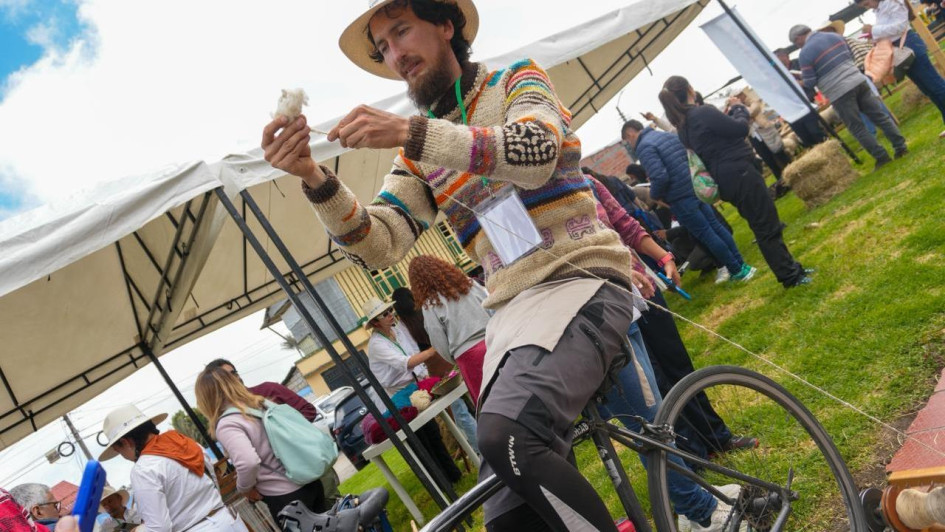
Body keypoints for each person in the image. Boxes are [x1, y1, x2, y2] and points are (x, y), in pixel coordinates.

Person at [260, 0, 737, 528]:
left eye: (401, 32)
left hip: (582, 281)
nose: (394, 54)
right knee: (508, 505)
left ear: (446, 24)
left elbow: (533, 152)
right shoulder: (416, 151)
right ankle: (701, 509)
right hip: (514, 312)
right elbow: (382, 244)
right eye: (383, 48)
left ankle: (711, 510)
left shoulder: (517, 80)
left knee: (627, 428)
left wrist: (412, 135)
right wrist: (314, 179)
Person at [660, 75, 812, 288]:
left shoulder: (684, 126)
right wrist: (739, 108)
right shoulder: (702, 113)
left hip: (725, 179)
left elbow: (721, 133)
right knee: (766, 226)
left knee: (762, 224)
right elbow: (739, 129)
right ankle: (790, 276)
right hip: (739, 172)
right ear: (690, 89)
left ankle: (792, 268)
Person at [621, 119, 755, 284]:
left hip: (679, 197)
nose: (630, 145)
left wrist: (654, 195)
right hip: (694, 188)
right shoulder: (664, 136)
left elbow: (660, 176)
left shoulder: (644, 147)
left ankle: (736, 269)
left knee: (707, 234)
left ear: (630, 134)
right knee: (716, 227)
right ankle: (742, 265)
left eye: (627, 141)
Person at [195, 366, 329, 520]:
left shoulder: (227, 424)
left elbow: (248, 462)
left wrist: (243, 488)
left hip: (283, 493)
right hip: (308, 479)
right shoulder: (261, 403)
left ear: (206, 397)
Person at [361, 296, 463, 483]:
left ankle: (453, 476)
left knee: (433, 432)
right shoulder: (377, 344)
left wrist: (423, 372)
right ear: (375, 322)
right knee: (420, 441)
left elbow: (412, 355)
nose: (390, 314)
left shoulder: (396, 331)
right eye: (385, 314)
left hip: (413, 388)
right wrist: (434, 349)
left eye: (390, 310)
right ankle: (440, 483)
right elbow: (406, 362)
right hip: (397, 397)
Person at [99, 404, 246, 531]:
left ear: (126, 442)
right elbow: (213, 482)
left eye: (119, 451)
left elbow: (159, 528)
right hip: (227, 519)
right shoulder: (186, 443)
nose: (123, 456)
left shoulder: (144, 469)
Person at [791, 24, 908, 169]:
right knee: (879, 116)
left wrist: (800, 80)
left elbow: (810, 82)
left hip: (839, 92)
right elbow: (849, 56)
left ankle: (881, 157)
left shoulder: (805, 53)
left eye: (796, 43)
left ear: (799, 38)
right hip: (858, 80)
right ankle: (900, 146)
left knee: (857, 127)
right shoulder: (835, 37)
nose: (798, 46)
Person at [391, 286, 479, 454]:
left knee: (460, 413)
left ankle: (479, 450)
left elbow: (413, 353)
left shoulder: (403, 327)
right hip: (450, 358)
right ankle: (483, 444)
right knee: (474, 400)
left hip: (434, 370)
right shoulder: (426, 310)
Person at [406, 255, 489, 406]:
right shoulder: (468, 283)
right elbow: (490, 305)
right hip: (494, 340)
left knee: (490, 404)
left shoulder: (430, 305)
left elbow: (439, 342)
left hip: (468, 356)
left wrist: (456, 358)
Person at [856, 0, 945, 138]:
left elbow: (900, 26)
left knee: (936, 86)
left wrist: (873, 30)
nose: (868, 7)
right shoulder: (881, 8)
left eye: (867, 3)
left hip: (908, 45)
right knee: (929, 89)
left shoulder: (892, 2)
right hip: (902, 50)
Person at [773, 48, 829, 147]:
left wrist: (800, 84)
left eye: (778, 57)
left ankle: (827, 145)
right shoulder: (776, 73)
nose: (777, 60)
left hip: (808, 100)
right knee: (804, 136)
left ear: (785, 56)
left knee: (815, 130)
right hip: (792, 107)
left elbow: (810, 78)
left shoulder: (798, 63)